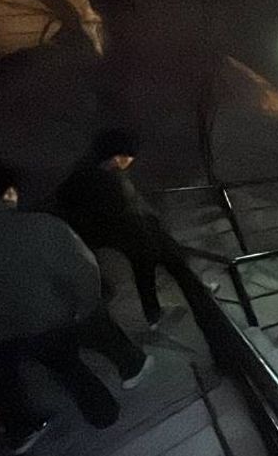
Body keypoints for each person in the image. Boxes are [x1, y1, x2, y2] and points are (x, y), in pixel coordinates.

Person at [0, 157, 152, 454]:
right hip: (60, 321)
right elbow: (84, 271)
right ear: (9, 193)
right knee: (71, 350)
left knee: (56, 363)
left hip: (13, 337)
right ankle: (124, 376)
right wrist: (83, 307)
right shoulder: (43, 227)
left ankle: (23, 426)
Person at [57, 129, 202, 329]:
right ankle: (157, 314)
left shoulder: (112, 173)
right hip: (127, 233)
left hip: (139, 230)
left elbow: (134, 201)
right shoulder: (90, 179)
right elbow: (106, 211)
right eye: (126, 157)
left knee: (170, 261)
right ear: (114, 156)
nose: (130, 162)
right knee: (150, 266)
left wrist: (151, 218)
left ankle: (174, 305)